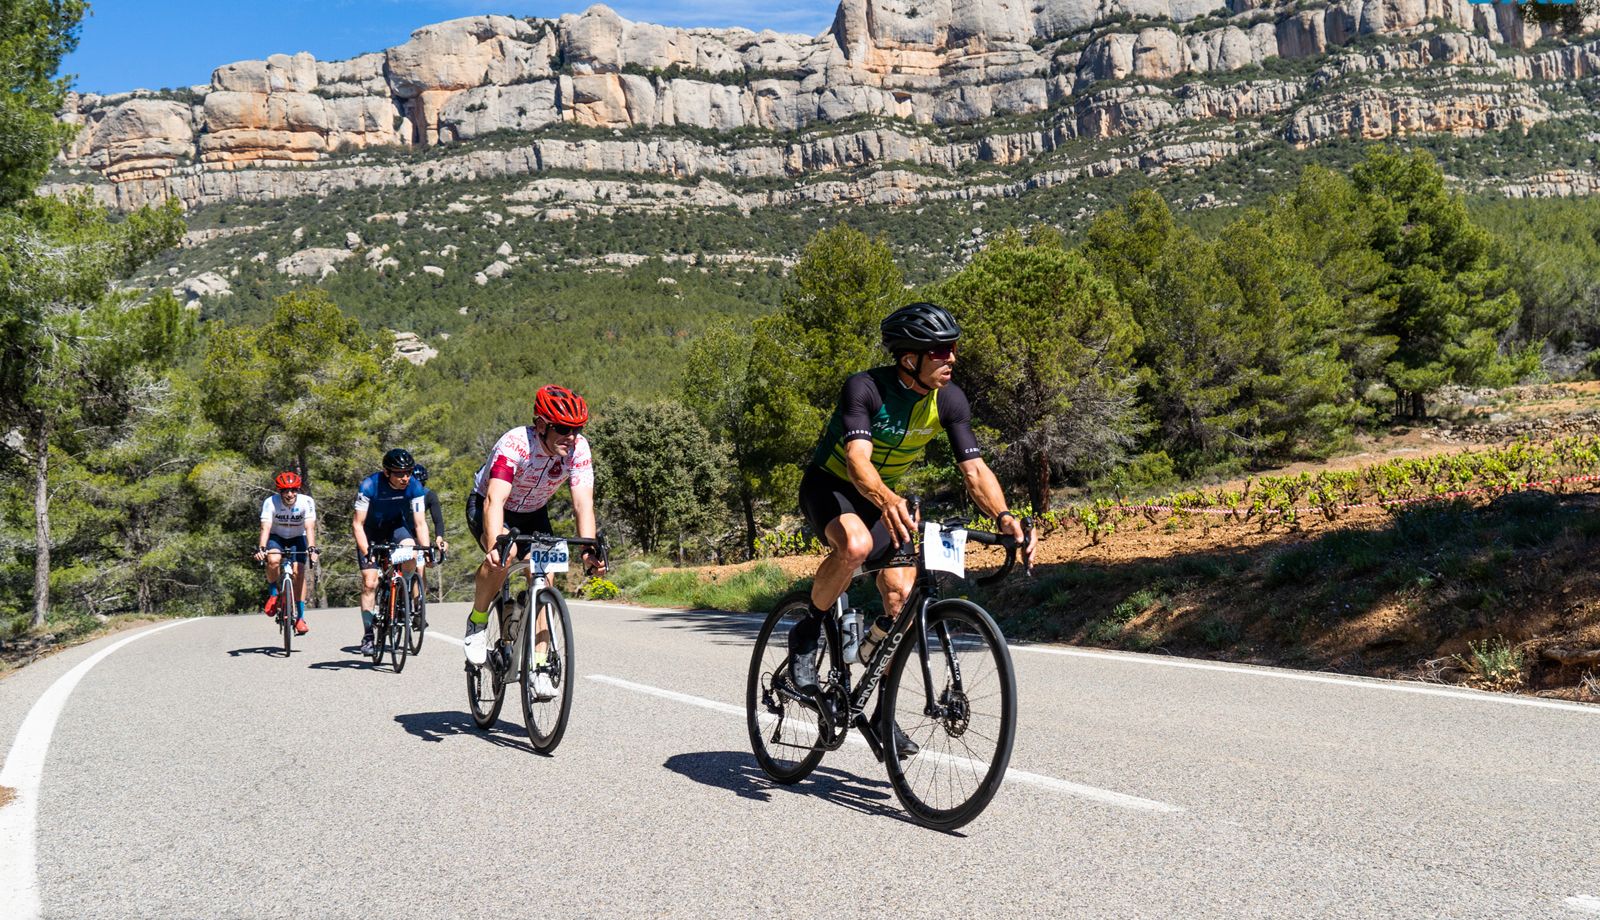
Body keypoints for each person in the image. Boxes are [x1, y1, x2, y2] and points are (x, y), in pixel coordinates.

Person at [787, 301, 1036, 758]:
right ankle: (807, 630)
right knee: (856, 545)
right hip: (832, 487)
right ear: (910, 358)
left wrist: (1004, 517)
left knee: (902, 596)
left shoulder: (950, 399)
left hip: (885, 498)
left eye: (953, 349)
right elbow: (858, 463)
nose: (953, 359)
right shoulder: (865, 389)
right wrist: (886, 501)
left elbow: (975, 470)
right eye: (941, 352)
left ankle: (880, 708)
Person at [463, 384, 605, 698]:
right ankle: (478, 620)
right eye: (563, 429)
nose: (571, 436)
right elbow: (494, 501)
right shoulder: (515, 444)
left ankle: (539, 666)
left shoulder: (578, 449)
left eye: (577, 429)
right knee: (506, 555)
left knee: (544, 577)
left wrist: (589, 549)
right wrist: (494, 545)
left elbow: (583, 504)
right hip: (490, 505)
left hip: (533, 511)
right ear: (540, 425)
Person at [352, 448, 432, 656]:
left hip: (395, 527)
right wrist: (367, 551)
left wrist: (427, 548)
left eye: (408, 472)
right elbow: (357, 524)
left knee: (412, 553)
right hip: (369, 531)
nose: (405, 477)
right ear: (387, 472)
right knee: (370, 582)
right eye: (399, 473)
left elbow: (420, 523)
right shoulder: (369, 486)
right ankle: (369, 634)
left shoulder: (414, 486)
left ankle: (401, 591)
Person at [254, 471, 318, 634]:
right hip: (277, 537)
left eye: (293, 490)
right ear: (279, 491)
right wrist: (262, 548)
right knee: (273, 560)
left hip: (298, 537)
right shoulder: (271, 502)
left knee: (299, 572)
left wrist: (312, 548)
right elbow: (265, 527)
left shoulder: (306, 502)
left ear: (298, 490)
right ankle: (274, 594)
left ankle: (300, 617)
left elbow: (310, 526)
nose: (290, 494)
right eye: (285, 491)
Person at [412, 463, 450, 604]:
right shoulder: (402, 495)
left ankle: (417, 608)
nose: (419, 486)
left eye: (422, 483)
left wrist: (439, 538)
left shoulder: (429, 495)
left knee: (420, 568)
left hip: (418, 532)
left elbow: (438, 521)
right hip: (402, 532)